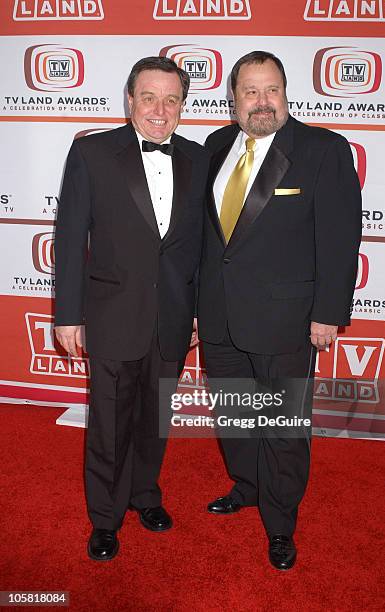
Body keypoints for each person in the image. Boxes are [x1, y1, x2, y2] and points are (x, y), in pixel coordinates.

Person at [198, 51, 362, 570]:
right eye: (250, 91)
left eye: (271, 90)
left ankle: (281, 522)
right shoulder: (217, 144)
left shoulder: (322, 150)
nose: (261, 101)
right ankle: (247, 486)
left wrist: (328, 312)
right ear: (233, 99)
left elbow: (340, 238)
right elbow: (211, 240)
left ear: (287, 94)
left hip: (287, 320)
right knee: (236, 417)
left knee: (285, 427)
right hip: (221, 316)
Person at [54, 56, 209, 561]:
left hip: (172, 317)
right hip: (111, 313)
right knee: (109, 423)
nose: (159, 110)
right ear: (129, 99)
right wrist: (68, 315)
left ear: (183, 106)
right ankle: (105, 517)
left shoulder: (198, 157)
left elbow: (203, 245)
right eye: (149, 97)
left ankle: (145, 496)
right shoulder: (93, 153)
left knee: (153, 419)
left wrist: (199, 314)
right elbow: (71, 235)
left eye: (171, 99)